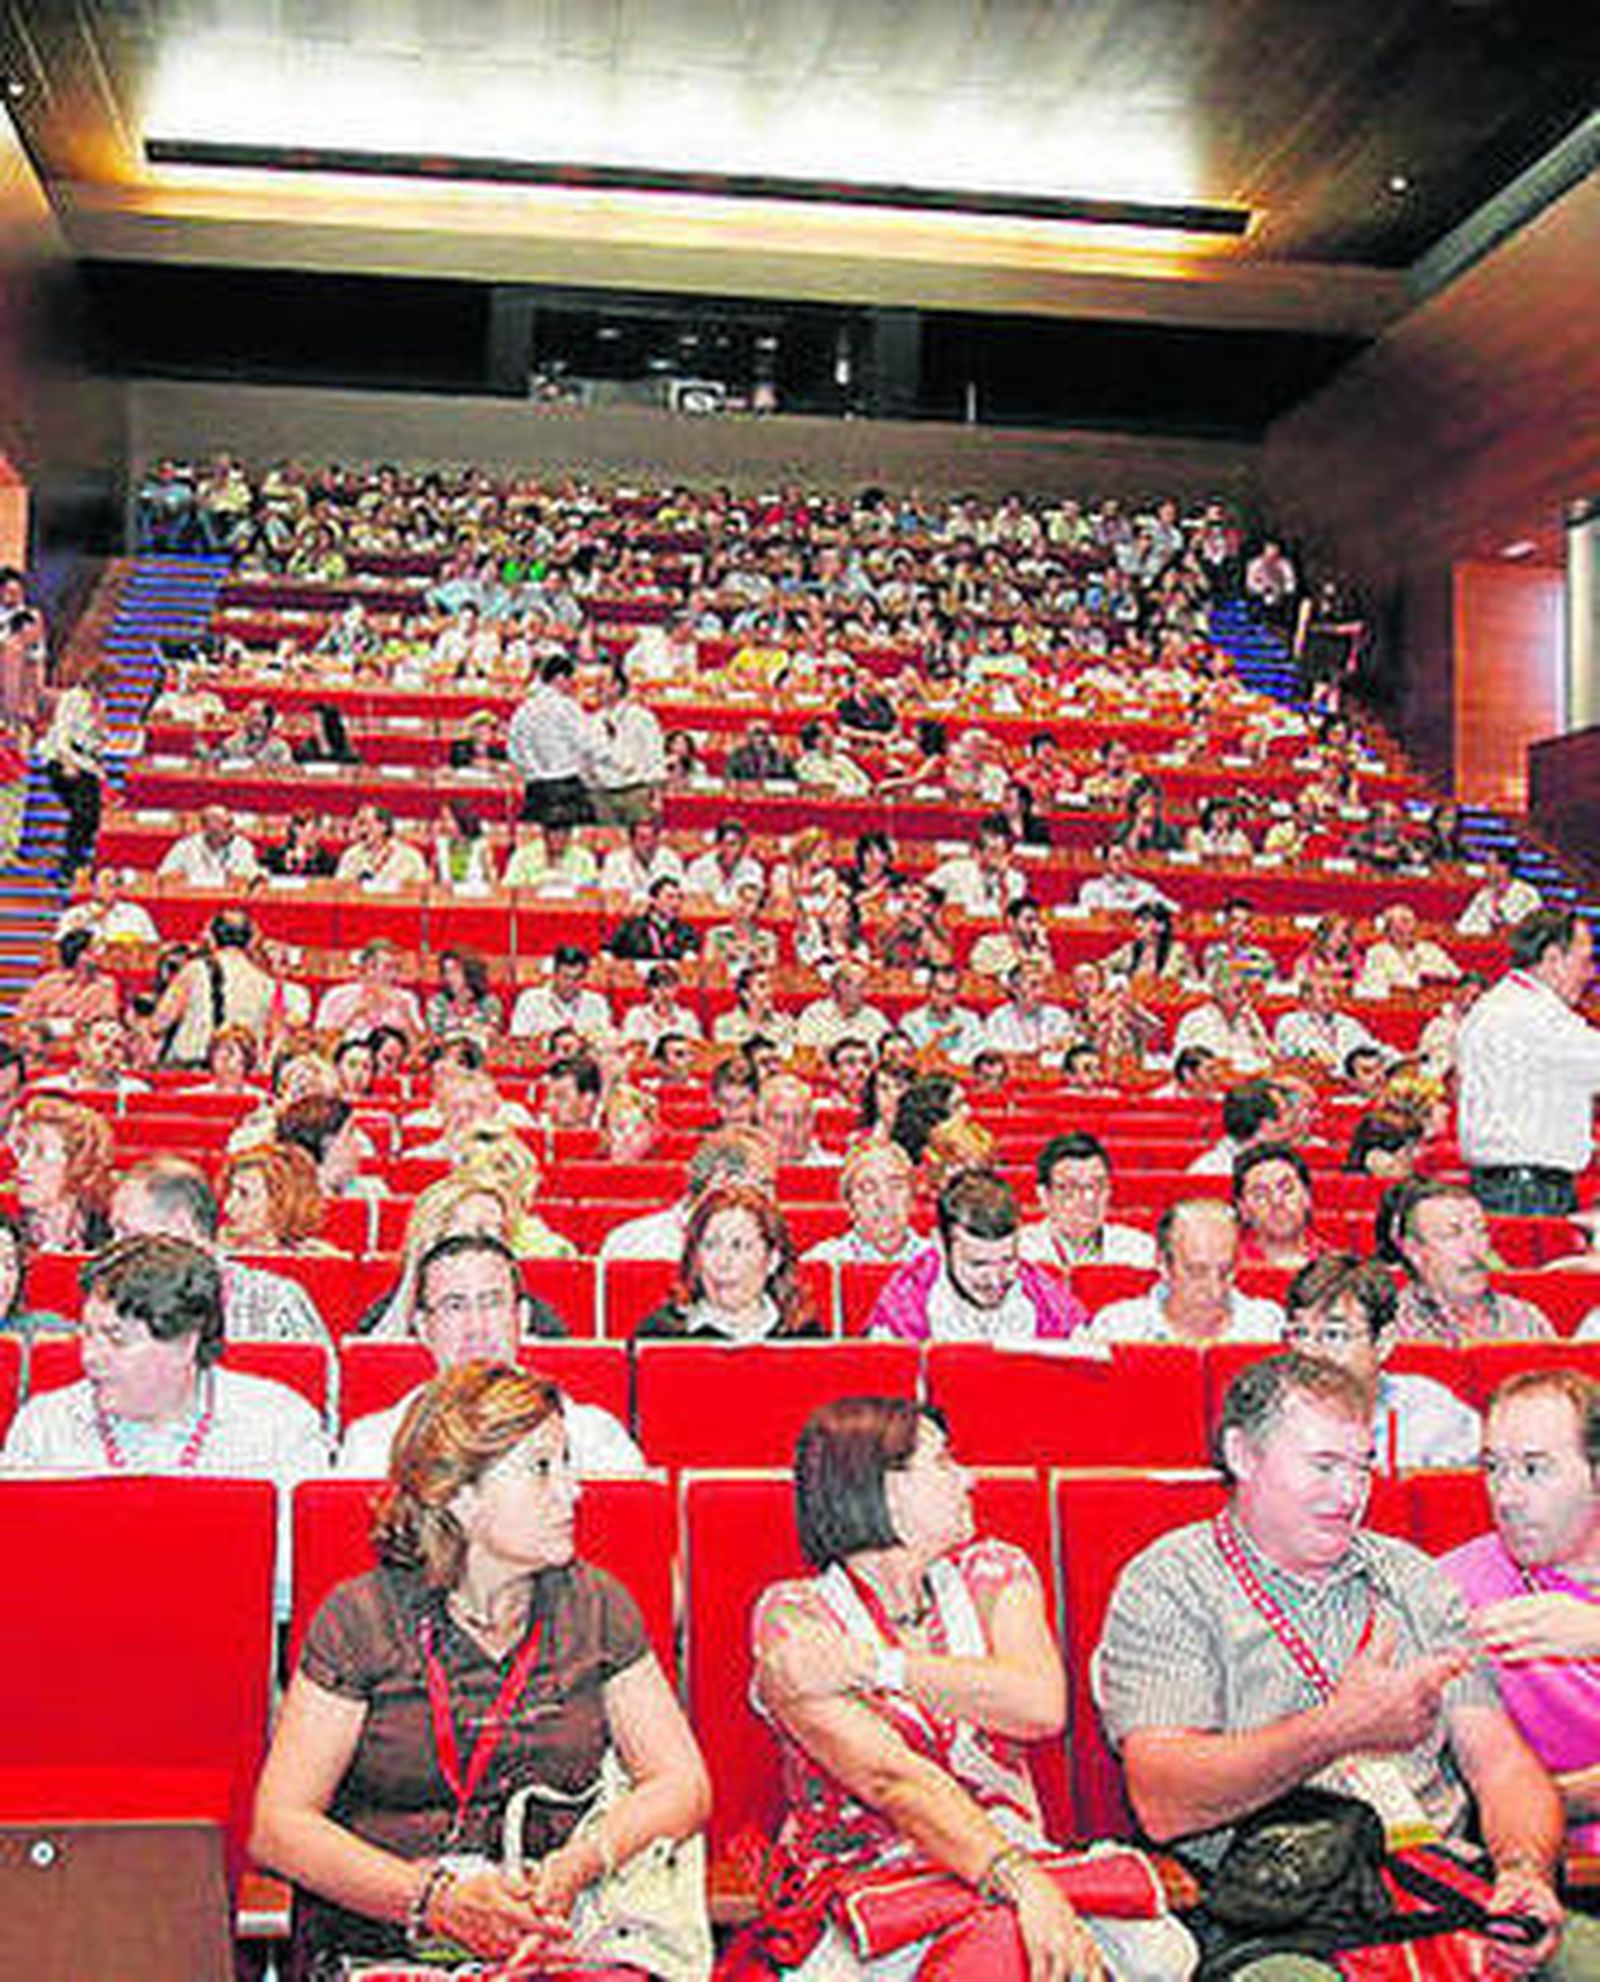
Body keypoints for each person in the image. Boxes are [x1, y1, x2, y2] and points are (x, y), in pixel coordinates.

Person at [1094, 1351, 1598, 1980]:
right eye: (1324, 1466)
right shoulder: (1171, 1585)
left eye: (1361, 1467)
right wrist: (1339, 1729)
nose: (1350, 1494)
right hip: (1282, 1916)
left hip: (1438, 1891)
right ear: (1244, 1455)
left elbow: (1499, 1765)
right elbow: (1161, 1797)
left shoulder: (1412, 1578)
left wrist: (1523, 1871)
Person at [251, 1362, 710, 1976]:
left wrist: (576, 1865)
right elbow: (279, 1827)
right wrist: (436, 1900)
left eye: (566, 1463)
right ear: (459, 1496)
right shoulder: (360, 1618)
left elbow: (683, 1784)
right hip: (390, 1938)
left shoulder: (596, 1604)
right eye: (542, 1469)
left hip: (557, 1932)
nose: (573, 1489)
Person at [749, 1395, 1196, 1982]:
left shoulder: (993, 1571)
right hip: (870, 1878)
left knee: (1115, 1952)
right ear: (880, 1488)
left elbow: (1039, 1706)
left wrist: (876, 1665)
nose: (970, 1478)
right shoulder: (795, 1617)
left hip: (1015, 1849)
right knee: (1013, 1949)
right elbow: (894, 1781)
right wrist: (1017, 1880)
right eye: (944, 1463)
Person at [2, 1235, 328, 1486]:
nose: (90, 1357)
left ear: (187, 1341)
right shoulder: (45, 1426)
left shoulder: (279, 1426)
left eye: (117, 1339)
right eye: (87, 1334)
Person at [1443, 1370, 1600, 1852]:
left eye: (1534, 1469)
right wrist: (1557, 1798)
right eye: (1493, 1468)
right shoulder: (1450, 1589)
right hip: (1552, 1866)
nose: (1506, 1496)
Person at [338, 1235, 643, 1477]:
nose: (476, 1327)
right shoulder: (375, 1443)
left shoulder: (593, 1437)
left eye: (492, 1303)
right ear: (422, 1328)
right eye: (454, 1306)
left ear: (522, 1319)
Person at [1457, 910, 1600, 1217]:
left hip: (1513, 1183)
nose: (1591, 975)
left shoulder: (1499, 1004)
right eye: (1585, 961)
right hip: (1527, 1191)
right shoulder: (1533, 1016)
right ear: (1552, 960)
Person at [1283, 1252, 1480, 1471]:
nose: (1311, 1352)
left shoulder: (1433, 1417)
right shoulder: (1272, 1414)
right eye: (1300, 1333)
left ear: (1383, 1343)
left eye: (1333, 1335)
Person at [110, 1156, 333, 1346]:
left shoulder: (275, 1303)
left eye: (127, 1233)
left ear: (182, 1226)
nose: (113, 1249)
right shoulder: (106, 1304)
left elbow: (319, 1390)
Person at [869, 1167, 1087, 1344]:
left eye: (1008, 1260)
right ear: (941, 1247)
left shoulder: (1050, 1304)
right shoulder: (902, 1309)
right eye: (978, 1264)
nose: (995, 1280)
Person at [1082, 1200, 1283, 1346]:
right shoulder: (1116, 1330)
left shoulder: (1268, 1326)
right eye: (1196, 1272)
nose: (1215, 1290)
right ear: (1162, 1264)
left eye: (1225, 1271)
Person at [635, 1184, 823, 1341]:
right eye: (710, 1246)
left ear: (772, 1260)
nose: (722, 1262)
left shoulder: (803, 1335)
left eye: (738, 1246)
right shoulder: (661, 1335)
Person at [1381, 1180, 1556, 1345]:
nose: (1475, 1249)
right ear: (1414, 1250)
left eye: (1481, 1231)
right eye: (1452, 1235)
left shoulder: (1525, 1319)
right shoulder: (1390, 1328)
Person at [151, 909, 284, 1065]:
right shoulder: (267, 983)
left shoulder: (194, 971)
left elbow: (159, 1023)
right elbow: (276, 1036)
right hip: (242, 1069)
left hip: (194, 1066)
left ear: (212, 939)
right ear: (250, 942)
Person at [1020, 1132, 1156, 1269]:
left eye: (1096, 1186)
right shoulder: (1020, 1252)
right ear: (1044, 1195)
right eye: (1070, 1187)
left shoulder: (1139, 1251)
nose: (1088, 1198)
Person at [11, 1094, 113, 1251]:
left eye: (41, 1154)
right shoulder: (6, 1234)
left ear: (78, 1164)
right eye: (22, 1151)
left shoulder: (110, 1233)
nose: (23, 1165)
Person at [38, 669, 111, 884]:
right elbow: (61, 733)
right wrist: (66, 762)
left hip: (89, 763)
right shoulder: (72, 698)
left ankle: (79, 862)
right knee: (82, 813)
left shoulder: (99, 704)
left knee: (91, 817)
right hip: (64, 759)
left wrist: (102, 731)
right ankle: (68, 867)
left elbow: (97, 739)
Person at [507, 651, 597, 825]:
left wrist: (529, 771)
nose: (573, 685)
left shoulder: (524, 710)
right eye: (571, 679)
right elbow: (586, 744)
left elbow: (513, 749)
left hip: (536, 788)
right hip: (566, 787)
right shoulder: (568, 707)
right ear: (560, 678)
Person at [804, 1141, 924, 1267]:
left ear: (912, 1197)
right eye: (868, 1188)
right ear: (849, 1204)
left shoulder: (940, 1260)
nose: (884, 1200)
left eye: (896, 1186)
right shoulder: (823, 1263)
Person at [219, 1144, 337, 1256]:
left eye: (244, 1194)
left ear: (283, 1203)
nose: (228, 1207)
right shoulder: (214, 1258)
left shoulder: (321, 1260)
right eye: (230, 1193)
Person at [1232, 1144, 1326, 1272]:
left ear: (1307, 1196)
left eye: (1287, 1190)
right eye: (1260, 1195)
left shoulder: (1334, 1267)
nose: (1276, 1201)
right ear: (1243, 1209)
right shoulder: (1229, 1268)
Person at [510, 945, 616, 1045]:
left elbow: (606, 1040)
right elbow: (518, 1040)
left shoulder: (597, 1003)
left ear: (584, 978)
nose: (570, 984)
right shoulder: (530, 1000)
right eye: (565, 977)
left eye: (577, 978)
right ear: (554, 975)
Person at [158, 803, 262, 887]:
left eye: (230, 824)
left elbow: (250, 880)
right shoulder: (185, 847)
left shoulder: (242, 846)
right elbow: (165, 878)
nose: (231, 830)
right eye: (225, 825)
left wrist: (189, 880)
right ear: (206, 828)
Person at [335, 804, 429, 890]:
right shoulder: (351, 856)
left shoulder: (411, 858)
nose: (360, 830)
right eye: (358, 824)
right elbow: (340, 890)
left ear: (383, 825)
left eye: (364, 823)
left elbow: (420, 894)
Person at [1456, 848, 1543, 937]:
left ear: (1505, 867)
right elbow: (1462, 926)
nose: (1487, 869)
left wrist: (1497, 910)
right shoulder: (1484, 894)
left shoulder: (1527, 893)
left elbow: (1521, 925)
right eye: (1487, 864)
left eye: (1491, 864)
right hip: (1479, 943)